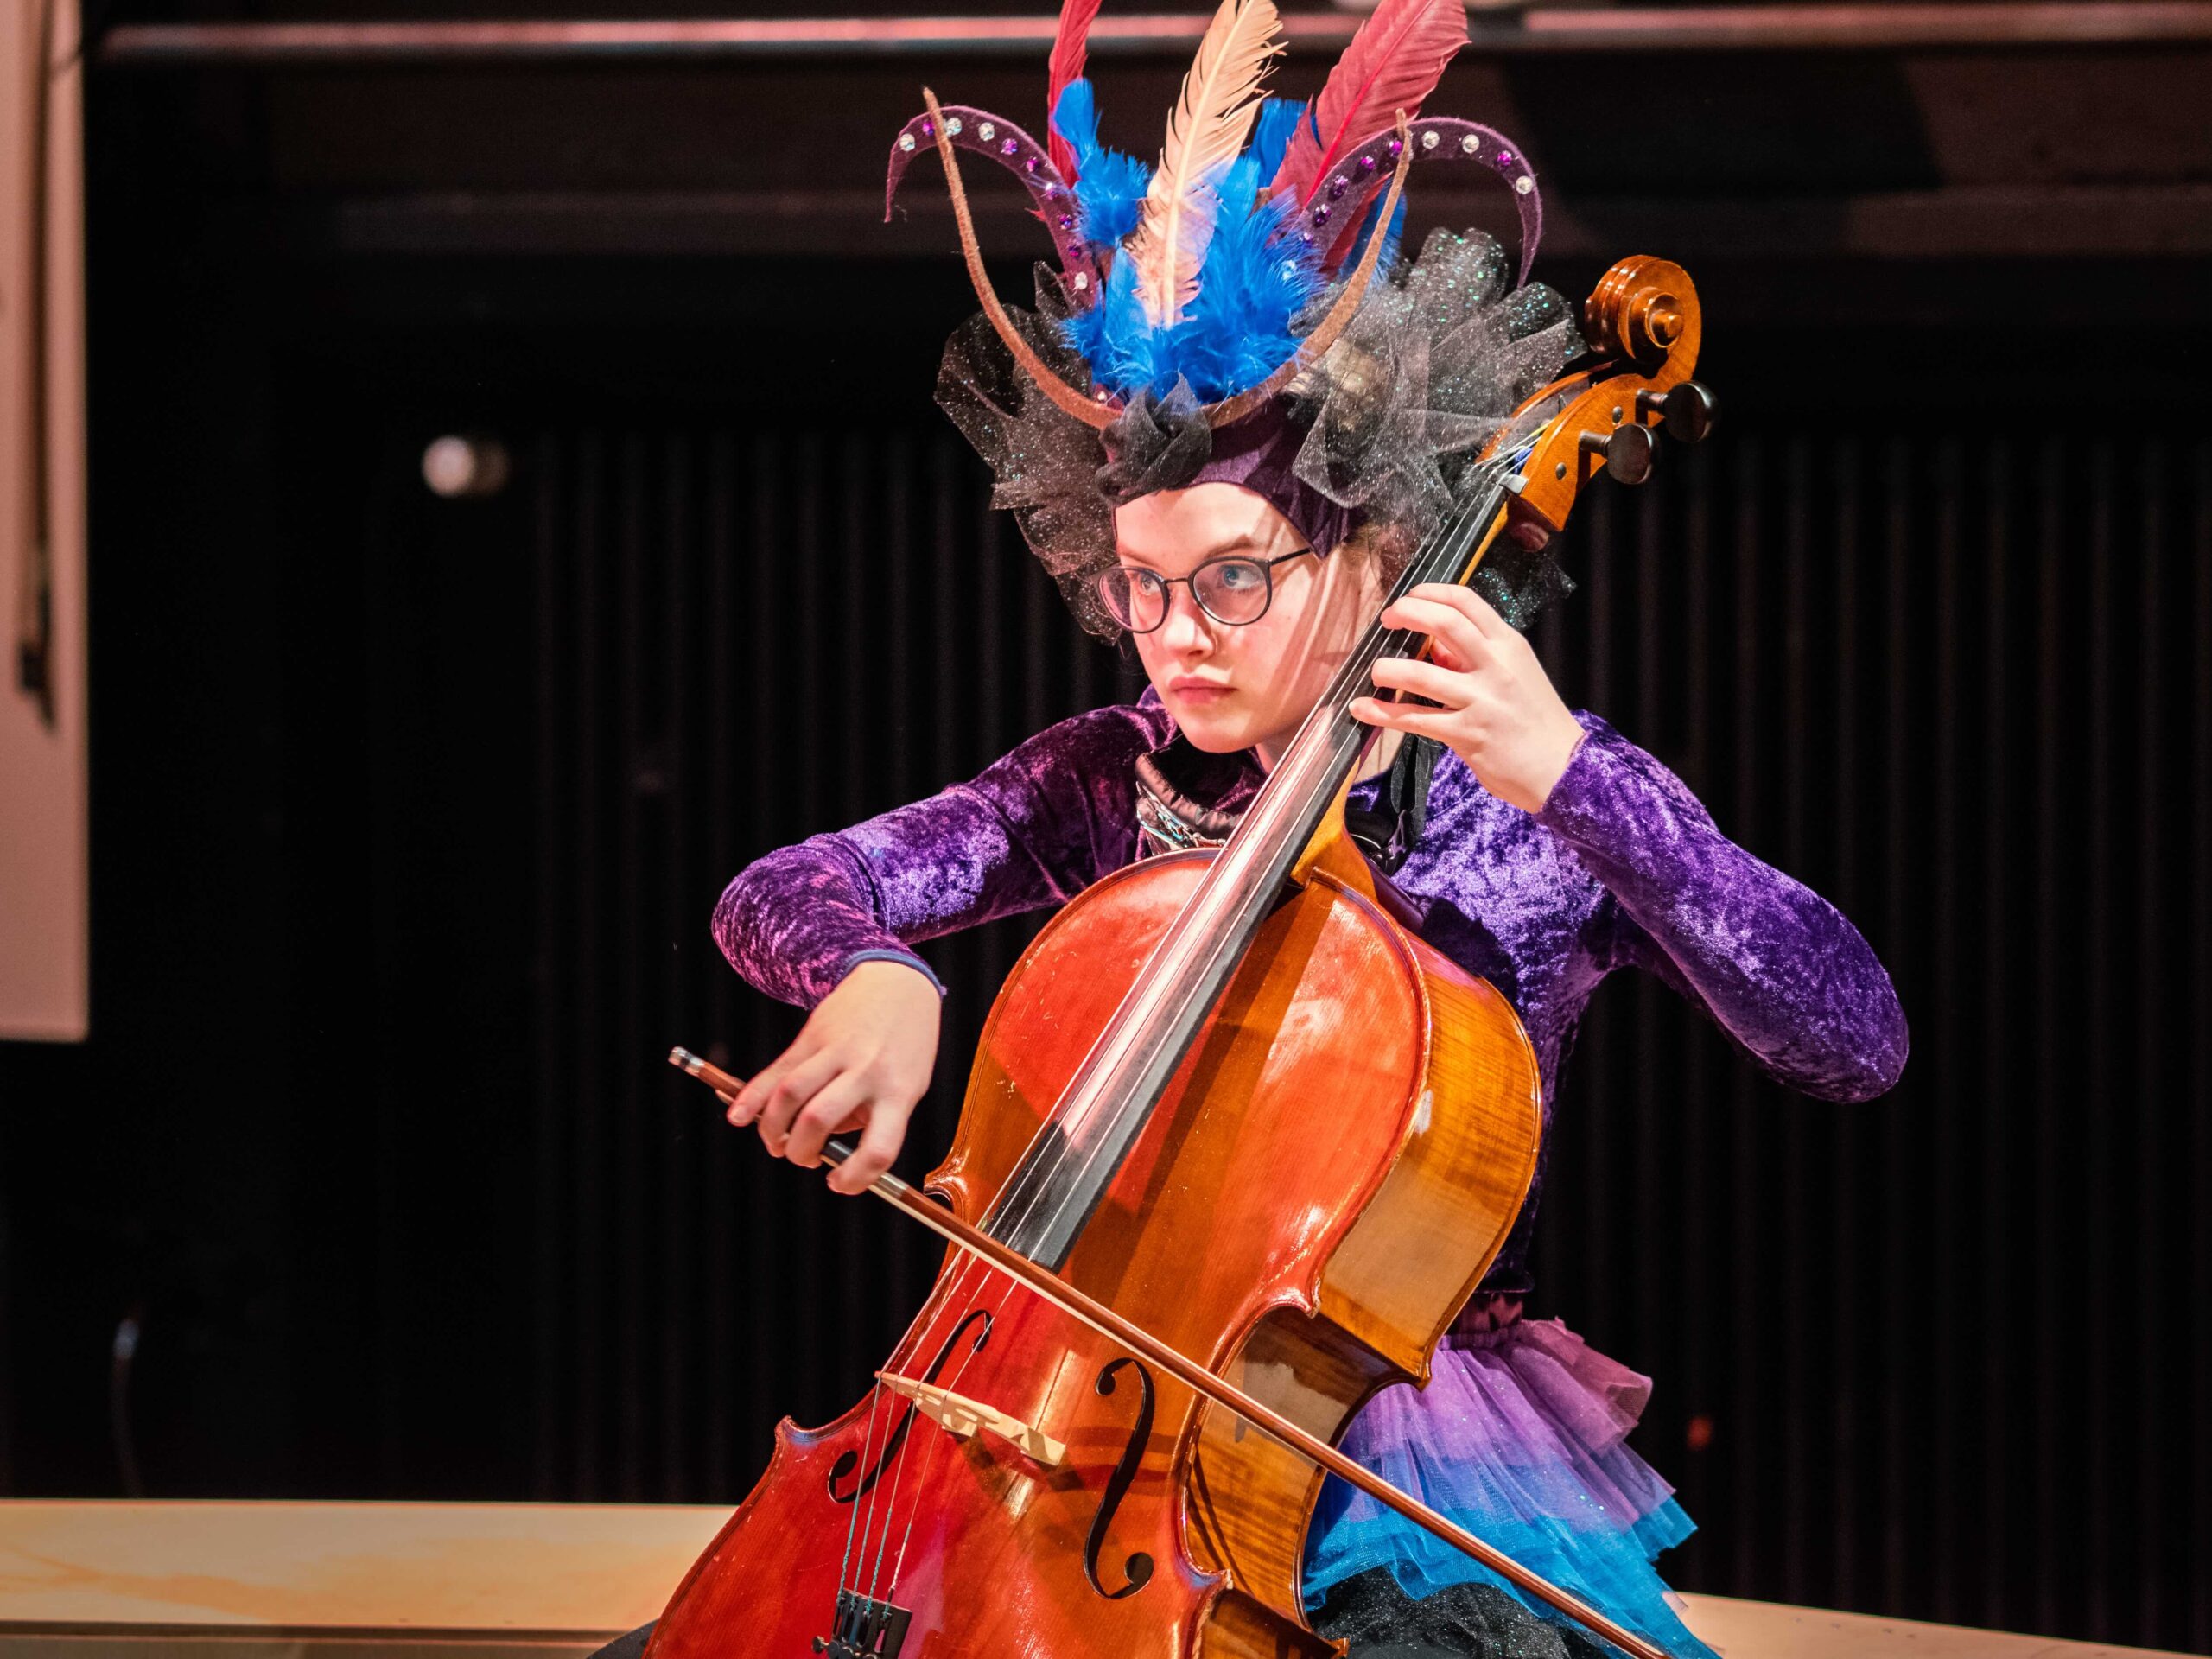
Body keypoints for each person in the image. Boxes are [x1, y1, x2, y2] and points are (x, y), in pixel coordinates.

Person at [697, 3, 1909, 1655]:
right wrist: (876, 973)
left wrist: (1578, 775)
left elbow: (1851, 1039)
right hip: (1062, 1430)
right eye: (1141, 586)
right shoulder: (1106, 775)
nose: (1175, 638)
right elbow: (786, 886)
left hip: (1391, 1443)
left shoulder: (1528, 801)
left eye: (1233, 580)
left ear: (1376, 547)